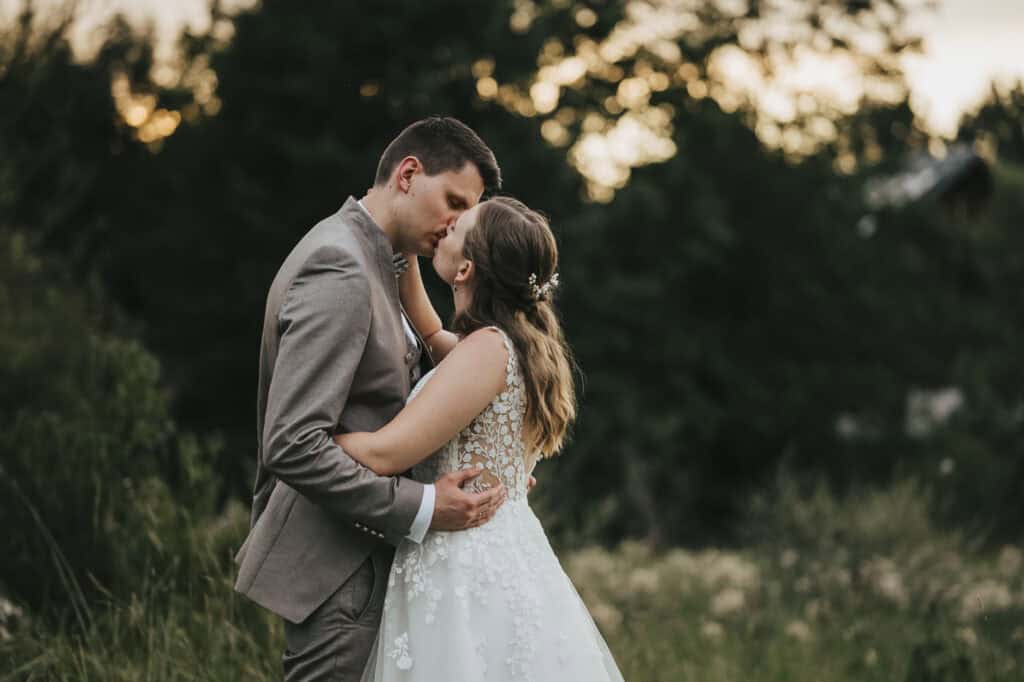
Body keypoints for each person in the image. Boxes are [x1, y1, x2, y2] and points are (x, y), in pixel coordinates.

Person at [234, 117, 508, 680]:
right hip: (340, 570)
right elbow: (293, 444)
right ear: (408, 175)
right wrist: (424, 507)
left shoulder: (383, 261)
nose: (457, 224)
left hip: (367, 562)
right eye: (454, 201)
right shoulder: (339, 266)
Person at [337, 196, 626, 681]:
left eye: (456, 228)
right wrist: (405, 246)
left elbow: (384, 454)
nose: (446, 224)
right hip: (503, 551)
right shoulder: (512, 346)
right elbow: (432, 333)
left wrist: (304, 440)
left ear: (466, 268)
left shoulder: (487, 350)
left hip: (463, 566)